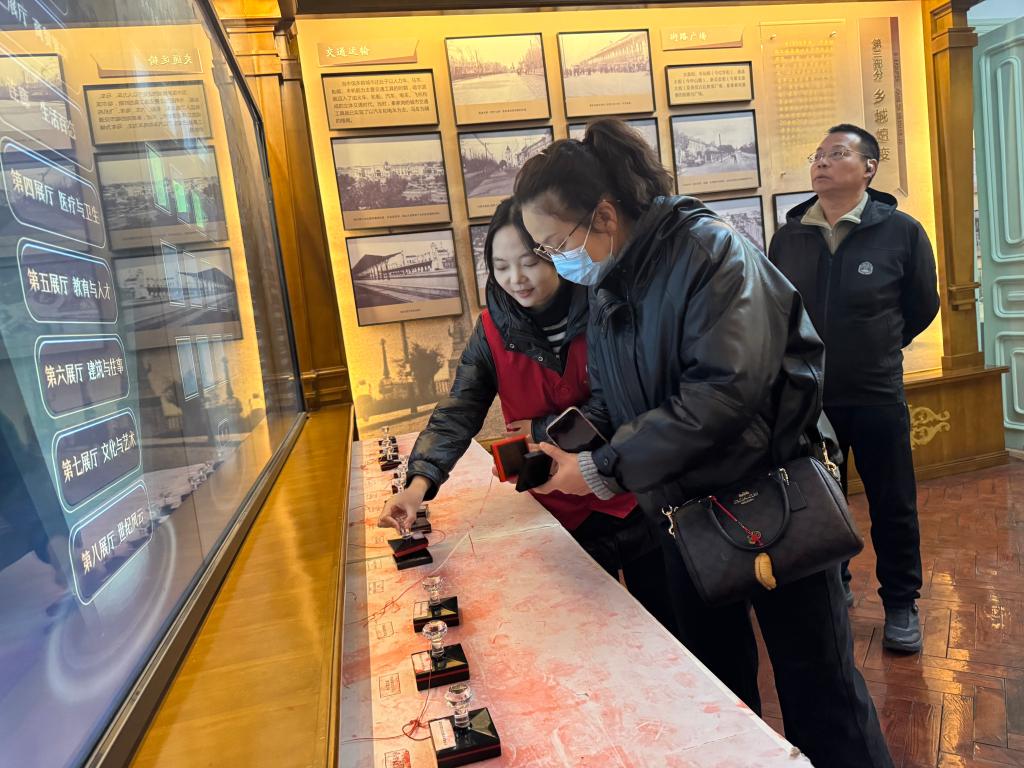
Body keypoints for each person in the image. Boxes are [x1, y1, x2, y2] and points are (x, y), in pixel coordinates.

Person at [514, 119, 893, 768]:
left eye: (556, 244)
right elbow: (614, 392)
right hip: (683, 514)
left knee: (821, 695)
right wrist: (566, 441)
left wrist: (604, 467)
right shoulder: (612, 280)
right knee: (717, 693)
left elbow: (722, 395)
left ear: (603, 215)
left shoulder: (710, 252)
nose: (556, 261)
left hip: (773, 502)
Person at [377, 198, 676, 634]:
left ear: (553, 253)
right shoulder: (490, 331)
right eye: (501, 267)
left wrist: (540, 429)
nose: (516, 278)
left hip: (632, 497)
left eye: (528, 262)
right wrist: (418, 485)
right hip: (557, 516)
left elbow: (622, 402)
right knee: (589, 638)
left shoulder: (606, 305)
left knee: (672, 633)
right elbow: (459, 410)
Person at [768, 124, 939, 654]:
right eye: (817, 154)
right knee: (821, 503)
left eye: (837, 153)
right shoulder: (789, 236)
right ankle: (833, 582)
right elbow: (777, 310)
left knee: (893, 504)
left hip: (875, 393)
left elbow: (923, 305)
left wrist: (880, 346)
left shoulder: (902, 232)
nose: (821, 162)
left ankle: (901, 603)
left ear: (868, 168)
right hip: (809, 398)